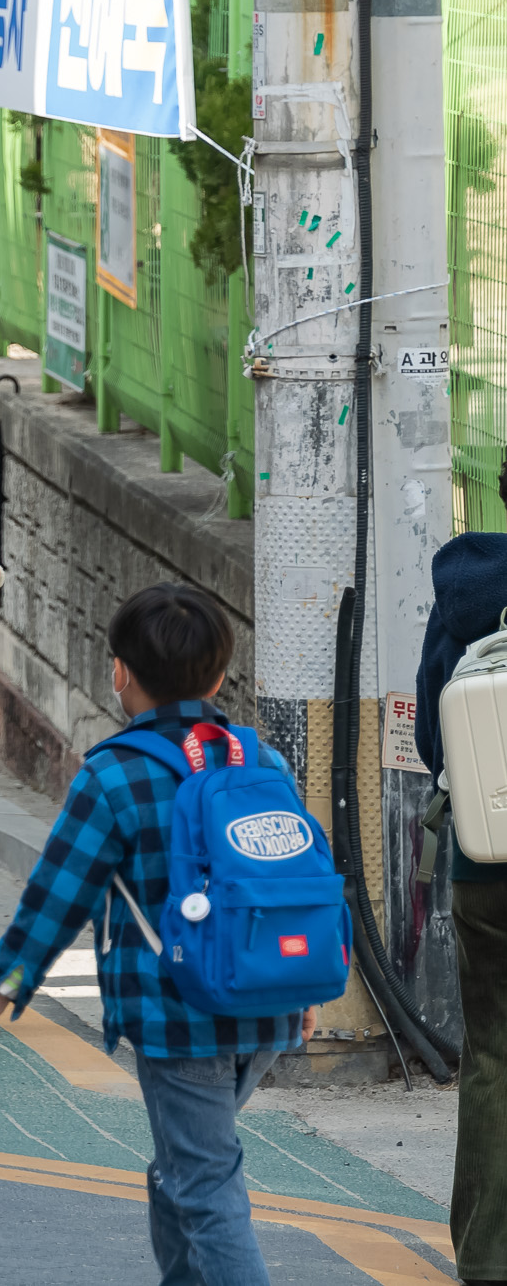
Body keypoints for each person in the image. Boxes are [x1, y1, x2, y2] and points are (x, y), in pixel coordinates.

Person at [0, 585, 319, 1286]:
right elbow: (293, 885)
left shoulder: (113, 773)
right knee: (183, 1166)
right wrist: (307, 988)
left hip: (177, 1016)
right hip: (268, 1007)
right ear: (220, 678)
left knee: (205, 1181)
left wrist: (2, 989)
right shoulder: (261, 762)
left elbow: (57, 895)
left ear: (119, 672)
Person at [415, 528, 507, 1286]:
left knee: (492, 1053)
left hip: (483, 861)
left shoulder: (464, 590)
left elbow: (429, 735)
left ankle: (486, 1252)